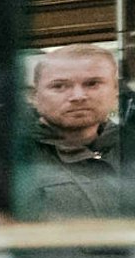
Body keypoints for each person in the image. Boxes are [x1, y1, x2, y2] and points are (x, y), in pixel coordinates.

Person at [23, 40, 131, 218]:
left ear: (115, 91)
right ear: (35, 96)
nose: (78, 96)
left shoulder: (129, 145)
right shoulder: (9, 158)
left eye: (92, 83)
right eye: (59, 86)